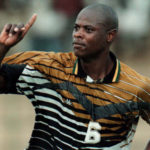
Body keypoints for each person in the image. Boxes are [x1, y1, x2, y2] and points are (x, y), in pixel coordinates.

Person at [0, 3, 150, 150]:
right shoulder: (48, 68)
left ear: (110, 36)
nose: (78, 34)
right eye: (76, 28)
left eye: (88, 29)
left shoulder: (136, 87)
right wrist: (3, 46)